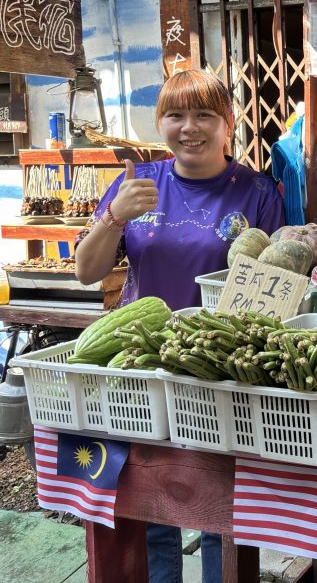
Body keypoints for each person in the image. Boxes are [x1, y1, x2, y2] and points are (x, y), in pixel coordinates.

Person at [75, 69, 284, 582]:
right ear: (160, 122)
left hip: (219, 368)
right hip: (141, 364)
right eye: (175, 115)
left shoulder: (257, 192)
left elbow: (278, 283)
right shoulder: (139, 186)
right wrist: (113, 218)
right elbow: (86, 271)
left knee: (220, 502)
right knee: (153, 500)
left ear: (228, 123)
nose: (190, 128)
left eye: (204, 115)